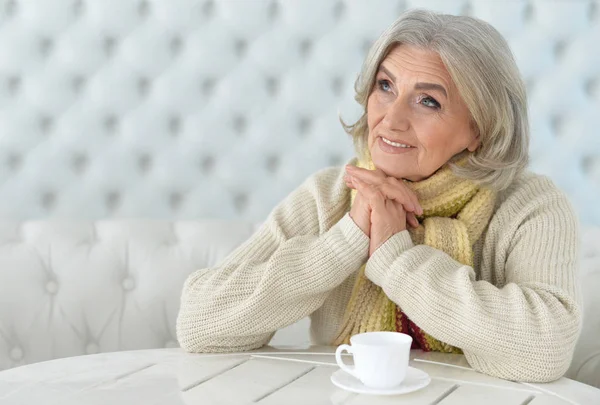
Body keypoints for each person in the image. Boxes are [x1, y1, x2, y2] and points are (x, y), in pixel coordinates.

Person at [176, 9, 582, 383]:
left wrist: (394, 257)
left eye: (428, 101)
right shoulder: (330, 194)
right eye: (385, 86)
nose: (391, 117)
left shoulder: (530, 206)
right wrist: (347, 239)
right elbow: (199, 323)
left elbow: (544, 351)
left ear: (479, 129)